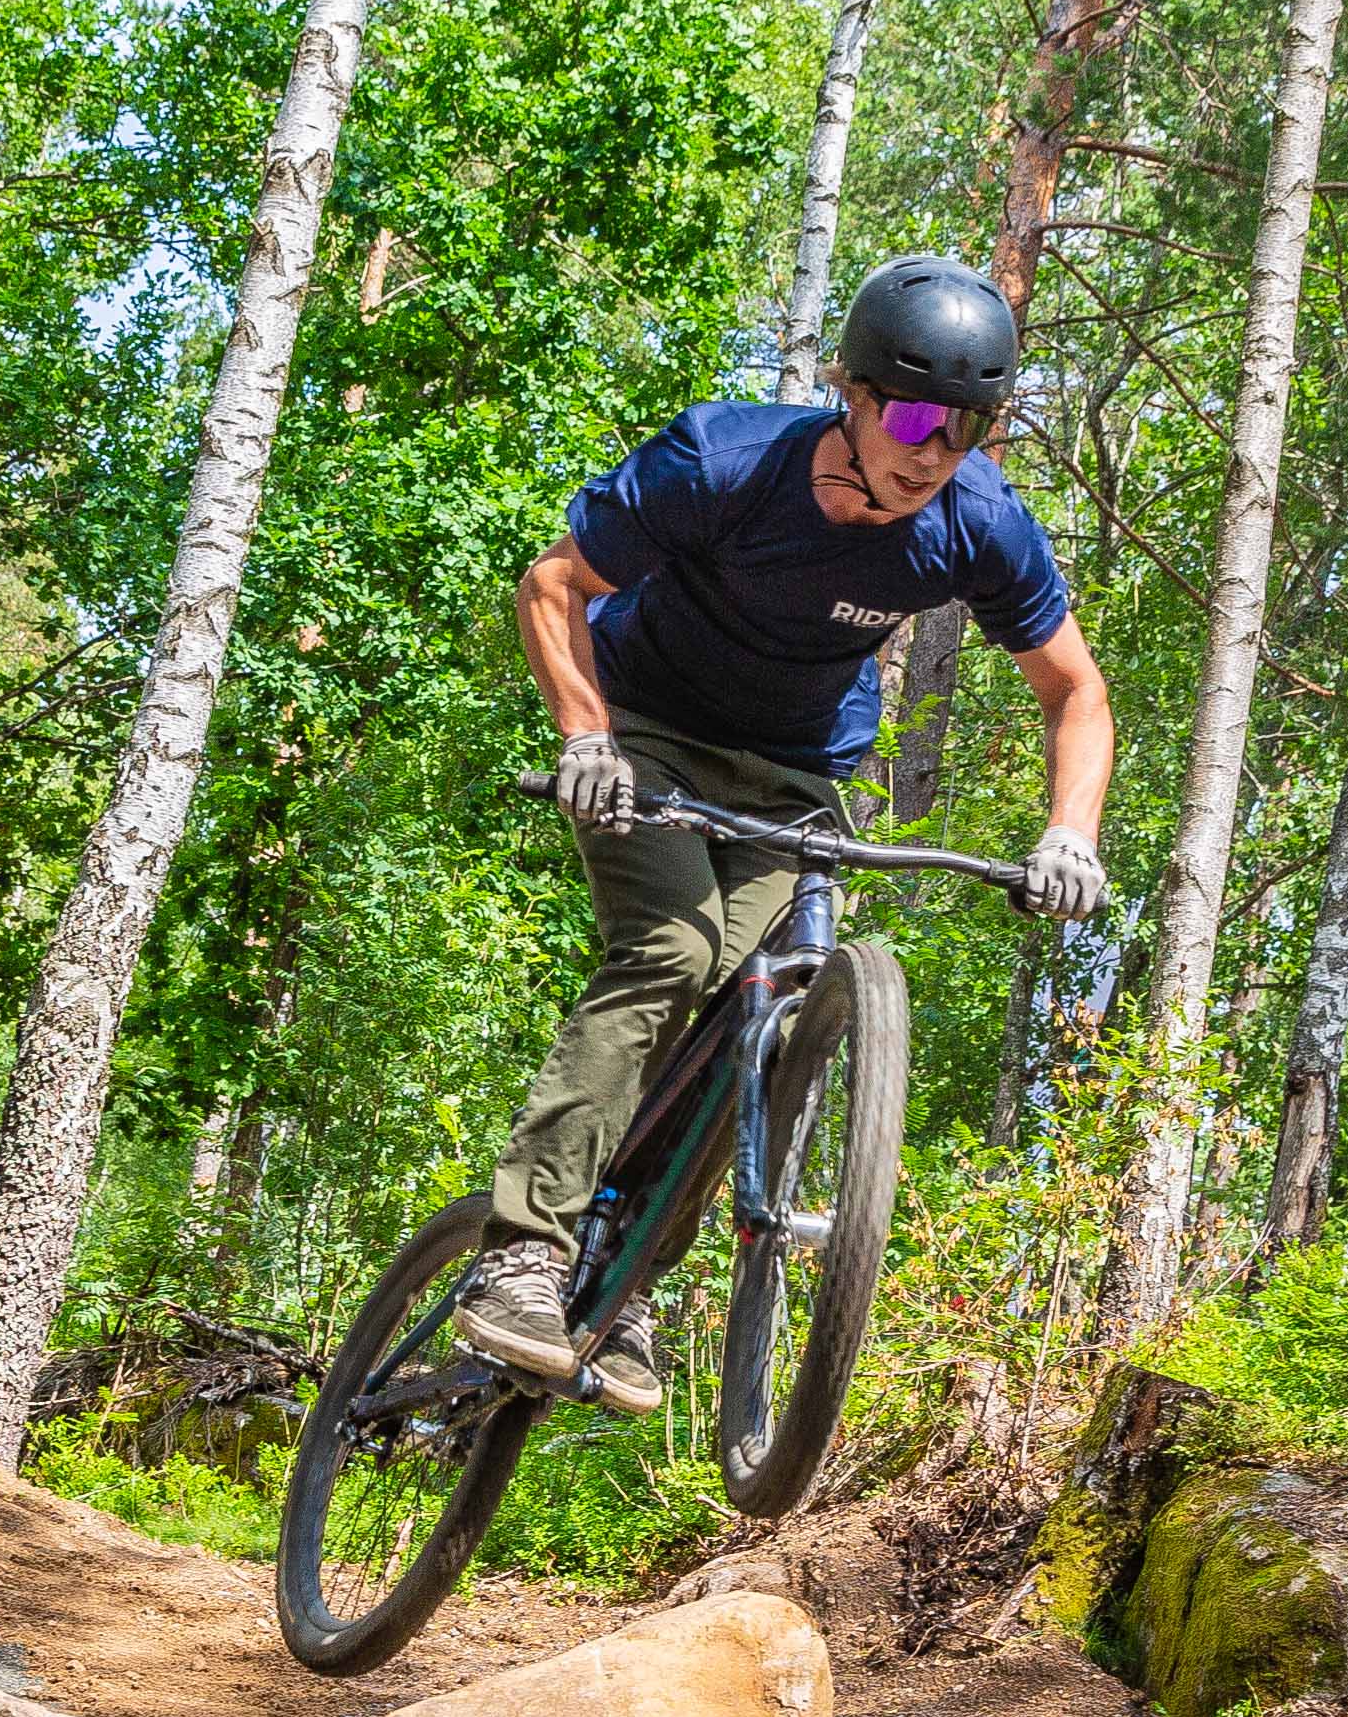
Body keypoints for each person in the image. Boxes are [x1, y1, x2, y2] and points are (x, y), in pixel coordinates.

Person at [456, 253, 1114, 1416]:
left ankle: (633, 1274)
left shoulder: (977, 523)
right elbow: (555, 584)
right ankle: (520, 1247)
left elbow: (1076, 693)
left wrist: (1071, 833)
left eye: (967, 428)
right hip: (648, 730)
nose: (933, 451)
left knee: (758, 1006)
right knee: (671, 951)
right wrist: (585, 740)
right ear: (851, 395)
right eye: (914, 416)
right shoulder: (724, 460)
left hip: (797, 776)